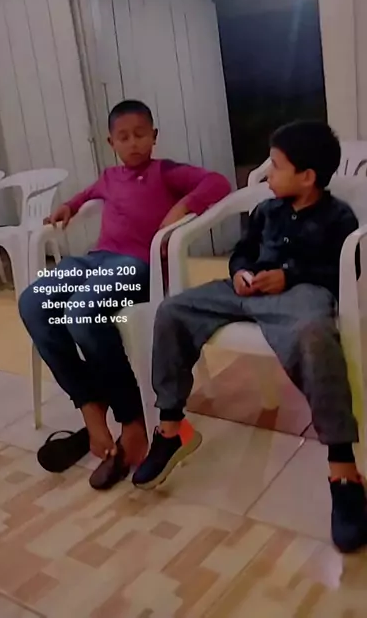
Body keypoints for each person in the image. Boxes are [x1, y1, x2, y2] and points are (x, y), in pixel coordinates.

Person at [133, 120, 367, 554]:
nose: (266, 174)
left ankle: (343, 471)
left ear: (307, 177)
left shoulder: (338, 217)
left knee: (316, 336)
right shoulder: (266, 210)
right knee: (172, 311)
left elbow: (345, 268)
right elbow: (242, 251)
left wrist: (289, 275)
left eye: (275, 166)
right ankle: (171, 428)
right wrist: (240, 272)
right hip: (246, 290)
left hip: (299, 296)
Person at [19, 99, 231, 490]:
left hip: (138, 265)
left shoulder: (166, 172)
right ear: (110, 142)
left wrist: (182, 208)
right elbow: (85, 195)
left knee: (82, 313)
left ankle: (131, 420)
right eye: (123, 137)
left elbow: (218, 183)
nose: (133, 143)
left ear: (154, 136)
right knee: (33, 302)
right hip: (96, 260)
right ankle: (90, 406)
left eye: (140, 135)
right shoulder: (109, 176)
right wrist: (68, 206)